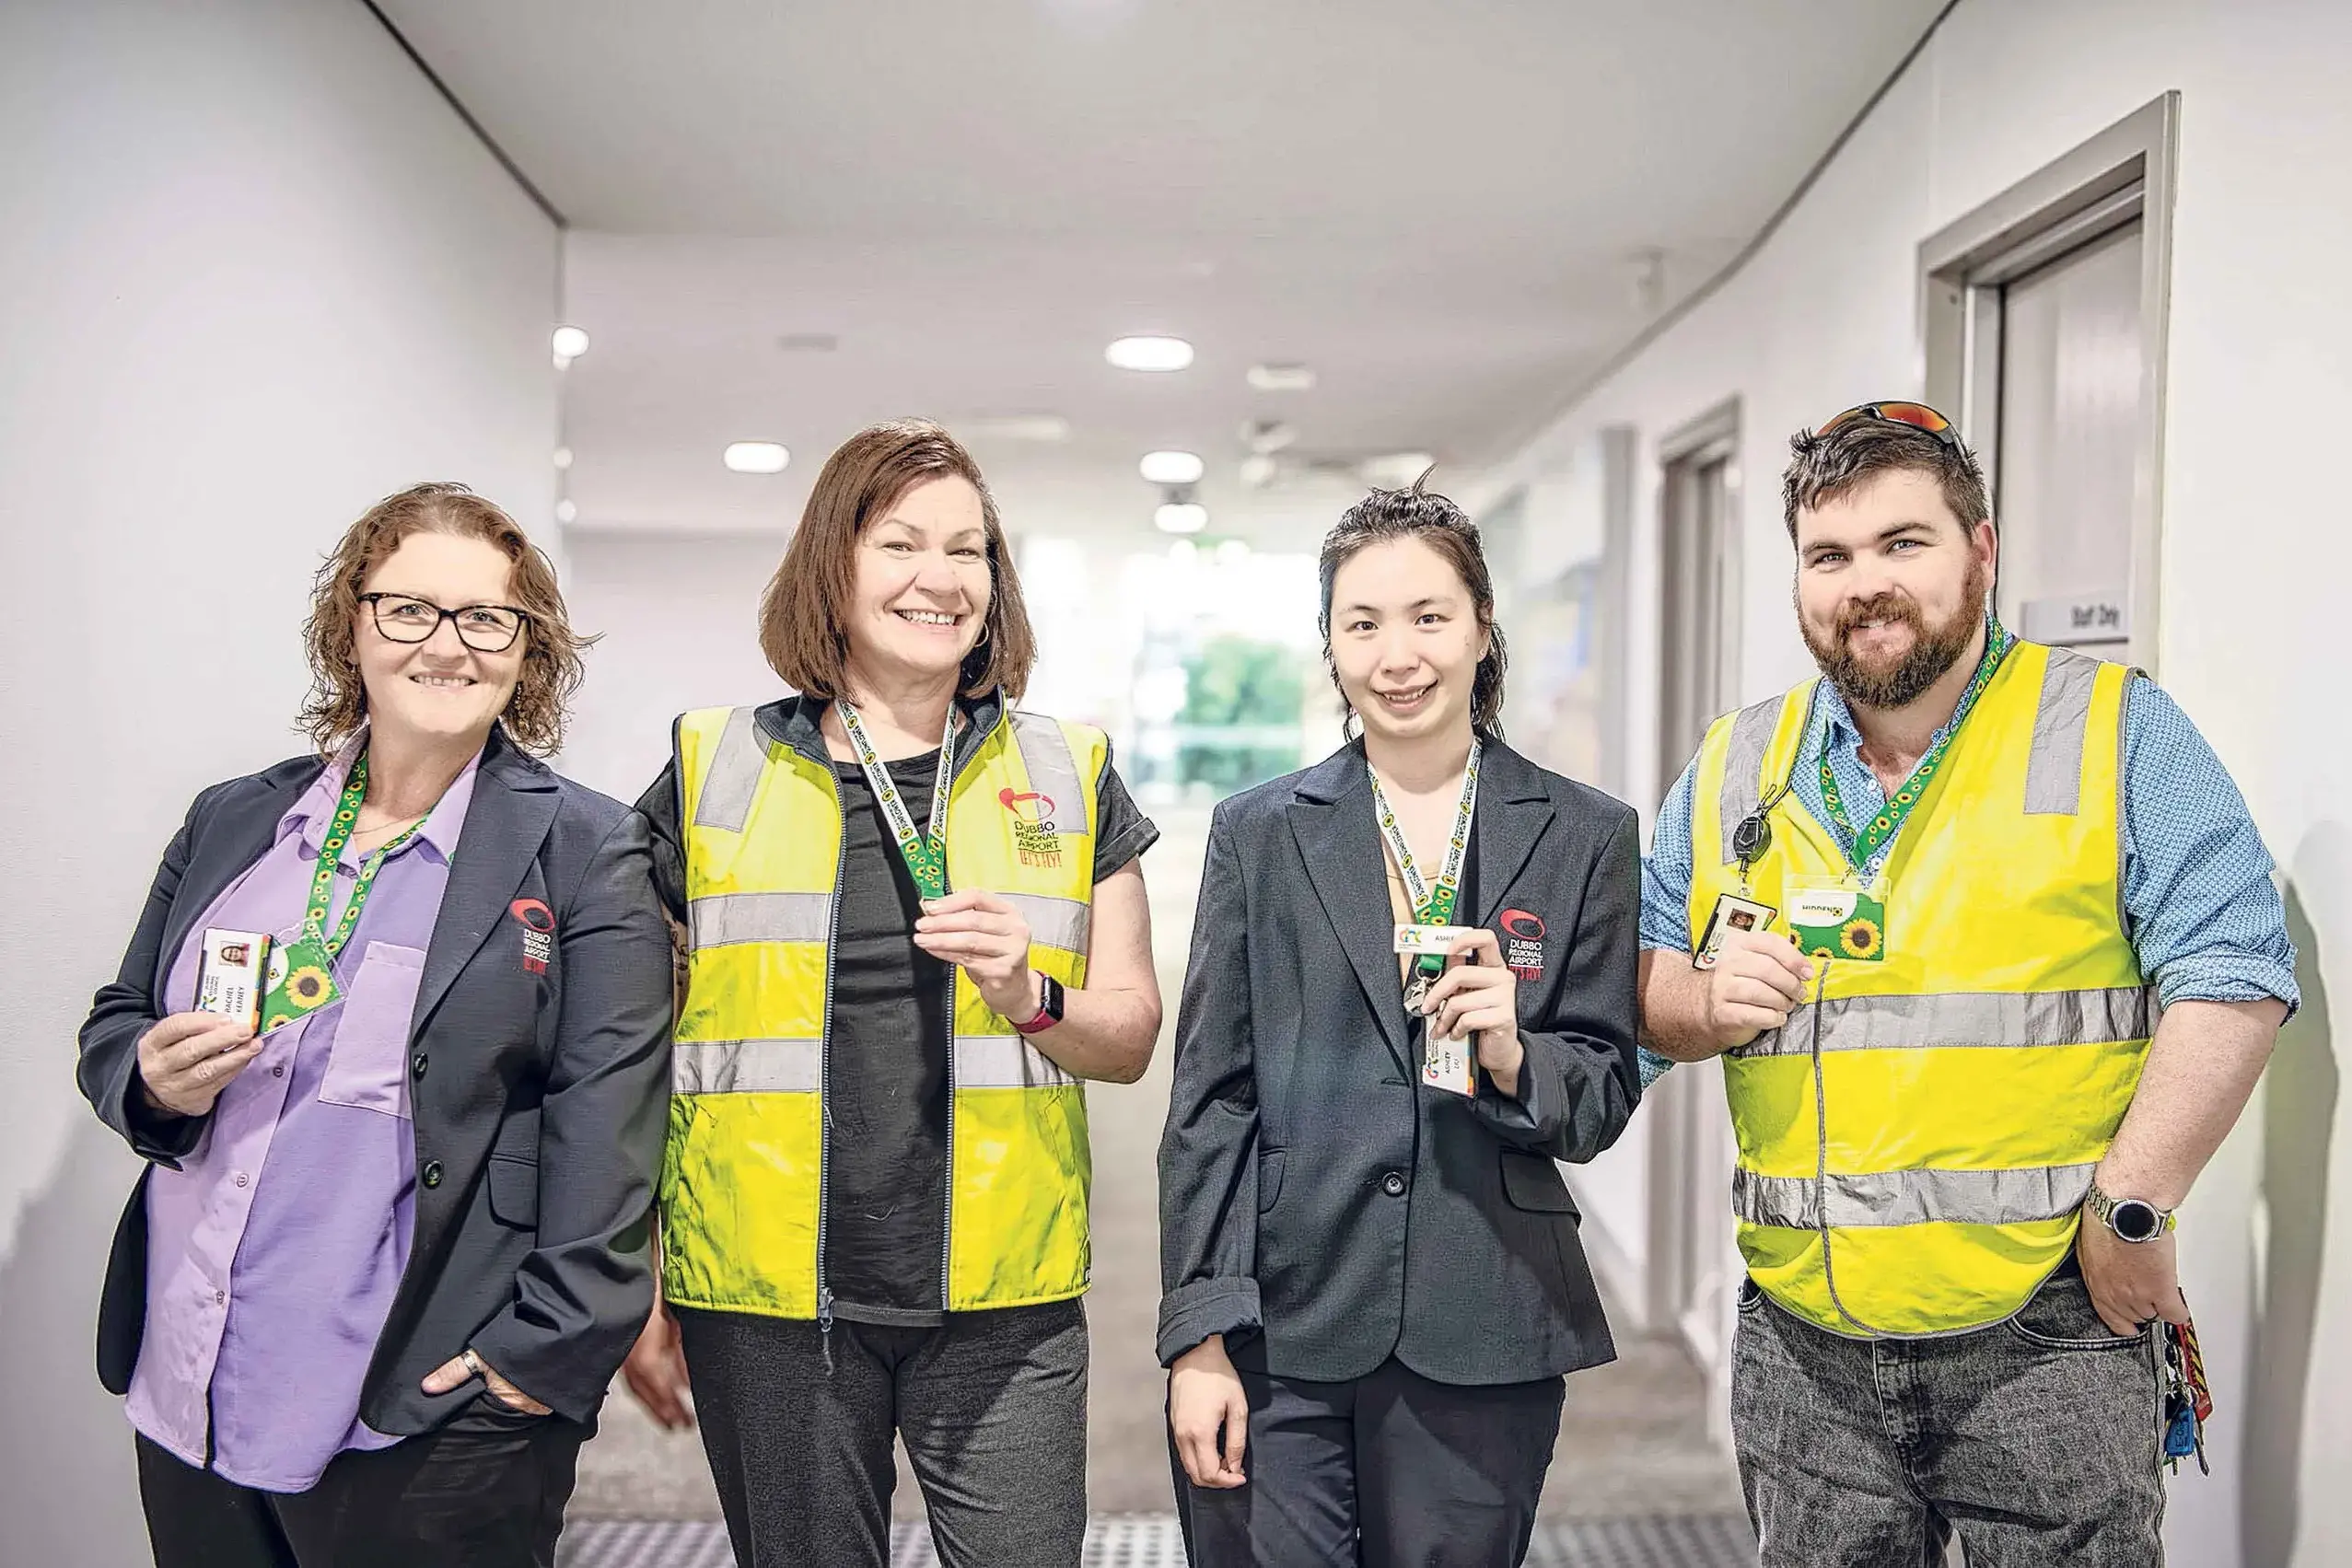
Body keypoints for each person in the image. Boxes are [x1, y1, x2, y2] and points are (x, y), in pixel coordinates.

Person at [1638, 401, 2298, 1566]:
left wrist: (2131, 1206)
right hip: (1804, 1342)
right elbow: (1638, 976)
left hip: (2046, 1327)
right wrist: (1693, 999)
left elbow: (2234, 970)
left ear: (1979, 551)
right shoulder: (1739, 759)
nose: (1864, 584)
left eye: (1904, 543)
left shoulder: (2115, 730)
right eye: (1829, 555)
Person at [76, 483, 674, 1568]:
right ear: (351, 623)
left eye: (486, 618)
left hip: (422, 1409)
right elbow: (117, 1021)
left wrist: (536, 1360)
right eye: (408, 609)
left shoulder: (588, 849)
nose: (446, 644)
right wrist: (150, 1077)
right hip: (195, 1378)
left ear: (527, 649)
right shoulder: (236, 819)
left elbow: (612, 1128)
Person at [621, 418, 1164, 1568]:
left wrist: (1032, 993)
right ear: (835, 562)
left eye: (968, 549)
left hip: (1003, 1297)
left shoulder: (1068, 768)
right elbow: (626, 1048)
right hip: (770, 1299)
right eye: (901, 541)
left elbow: (1125, 1039)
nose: (940, 576)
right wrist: (636, 1272)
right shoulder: (715, 765)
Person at [1158, 480, 1642, 1567]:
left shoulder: (1583, 834)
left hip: (1487, 1308)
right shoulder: (1260, 834)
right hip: (1281, 1312)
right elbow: (1210, 1098)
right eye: (1361, 623)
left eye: (1428, 616)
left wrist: (1514, 1050)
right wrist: (1196, 1332)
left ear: (1480, 628)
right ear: (1329, 647)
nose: (1397, 654)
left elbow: (1603, 1087)